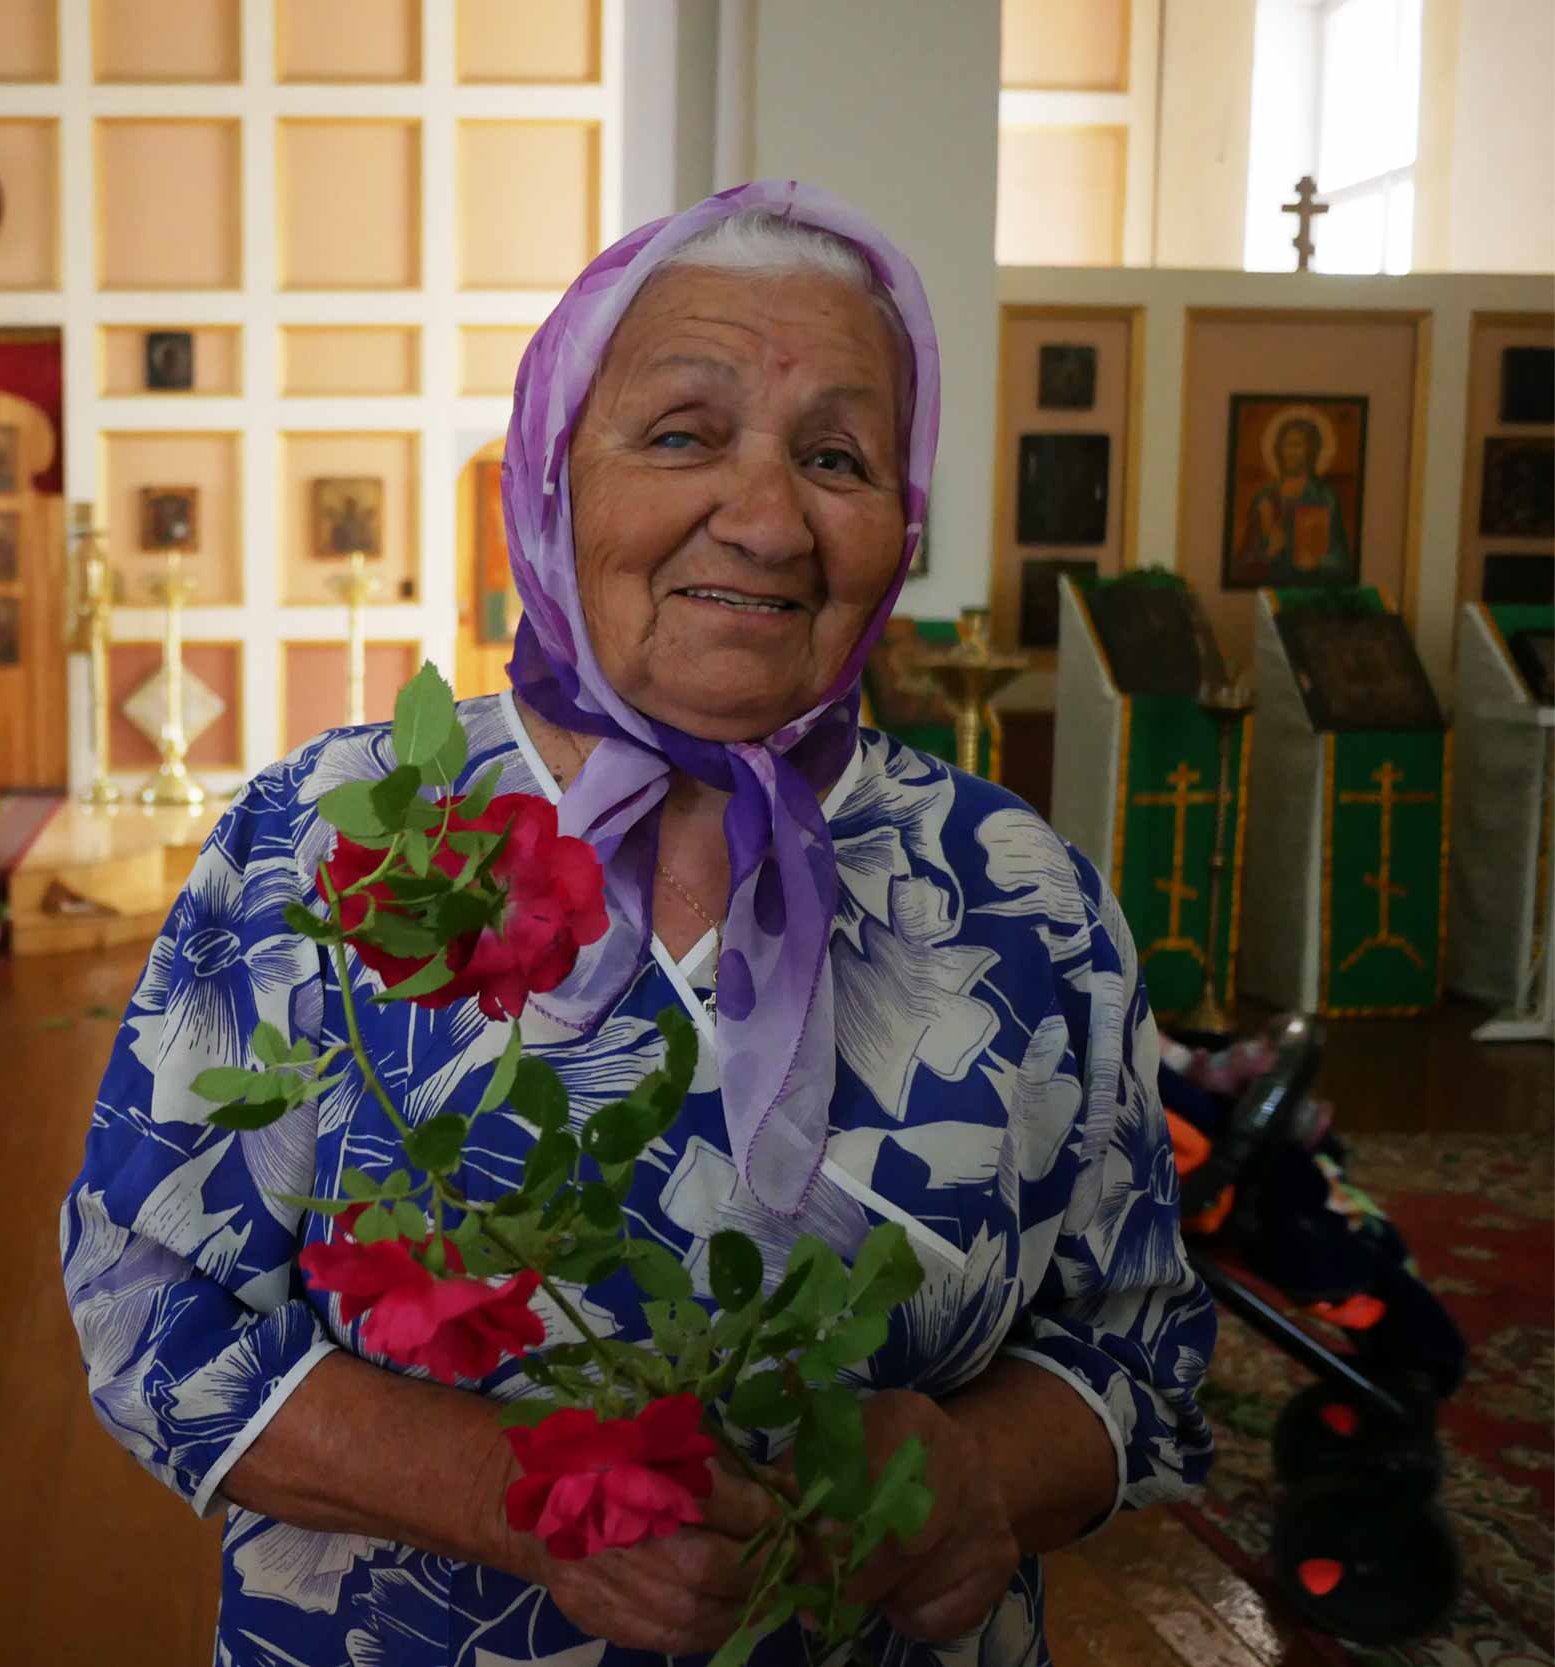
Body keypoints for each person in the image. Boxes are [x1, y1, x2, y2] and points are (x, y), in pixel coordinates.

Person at [62, 182, 1213, 1664]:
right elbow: (151, 1306)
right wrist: (515, 1495)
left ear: (901, 524)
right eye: (682, 433)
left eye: (838, 456)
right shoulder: (324, 843)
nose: (764, 515)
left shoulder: (1019, 895)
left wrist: (981, 1472)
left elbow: (1141, 1340)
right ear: (549, 481)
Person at [1237, 415, 1351, 583]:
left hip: (1312, 590)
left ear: (1311, 450)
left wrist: (1319, 562)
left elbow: (1342, 561)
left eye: (1298, 445)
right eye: (1286, 445)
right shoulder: (1265, 498)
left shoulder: (1324, 497)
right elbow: (1244, 562)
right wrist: (1267, 553)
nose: (1291, 452)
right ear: (1279, 450)